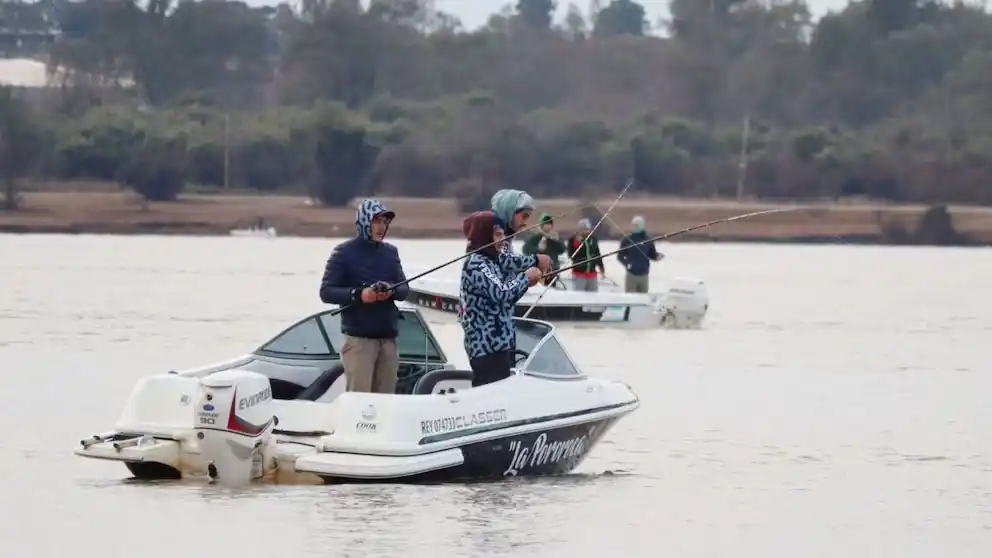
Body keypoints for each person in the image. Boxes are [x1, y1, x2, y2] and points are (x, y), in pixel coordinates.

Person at [318, 199, 409, 394]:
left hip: (388, 341)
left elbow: (404, 290)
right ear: (364, 221)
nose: (381, 227)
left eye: (385, 222)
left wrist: (391, 290)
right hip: (359, 343)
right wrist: (359, 294)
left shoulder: (391, 253)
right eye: (376, 221)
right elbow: (326, 291)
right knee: (360, 404)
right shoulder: (343, 252)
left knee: (385, 404)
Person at [460, 210, 543, 387]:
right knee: (487, 401)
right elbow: (501, 293)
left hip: (501, 346)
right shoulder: (476, 263)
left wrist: (526, 283)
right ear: (484, 236)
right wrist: (525, 278)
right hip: (485, 348)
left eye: (504, 234)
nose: (503, 239)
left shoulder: (492, 260)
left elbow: (505, 300)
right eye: (498, 235)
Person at [617, 215, 663, 293]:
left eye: (638, 224)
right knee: (630, 298)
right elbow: (620, 256)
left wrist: (658, 256)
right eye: (634, 224)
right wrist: (627, 264)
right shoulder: (626, 239)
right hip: (631, 274)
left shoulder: (648, 239)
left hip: (644, 274)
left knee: (643, 297)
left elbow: (652, 254)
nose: (635, 226)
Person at [522, 212, 567, 286]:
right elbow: (526, 250)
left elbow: (562, 249)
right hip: (538, 270)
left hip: (552, 269)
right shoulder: (536, 237)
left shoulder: (555, 236)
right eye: (546, 224)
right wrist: (538, 249)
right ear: (542, 225)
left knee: (552, 290)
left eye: (549, 224)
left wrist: (556, 241)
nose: (548, 226)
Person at [567, 218, 606, 292]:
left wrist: (602, 269)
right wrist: (577, 244)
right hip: (579, 273)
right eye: (585, 229)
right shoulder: (572, 240)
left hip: (592, 274)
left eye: (589, 229)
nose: (588, 231)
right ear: (579, 230)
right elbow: (571, 255)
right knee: (579, 295)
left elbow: (598, 255)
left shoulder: (593, 239)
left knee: (593, 295)